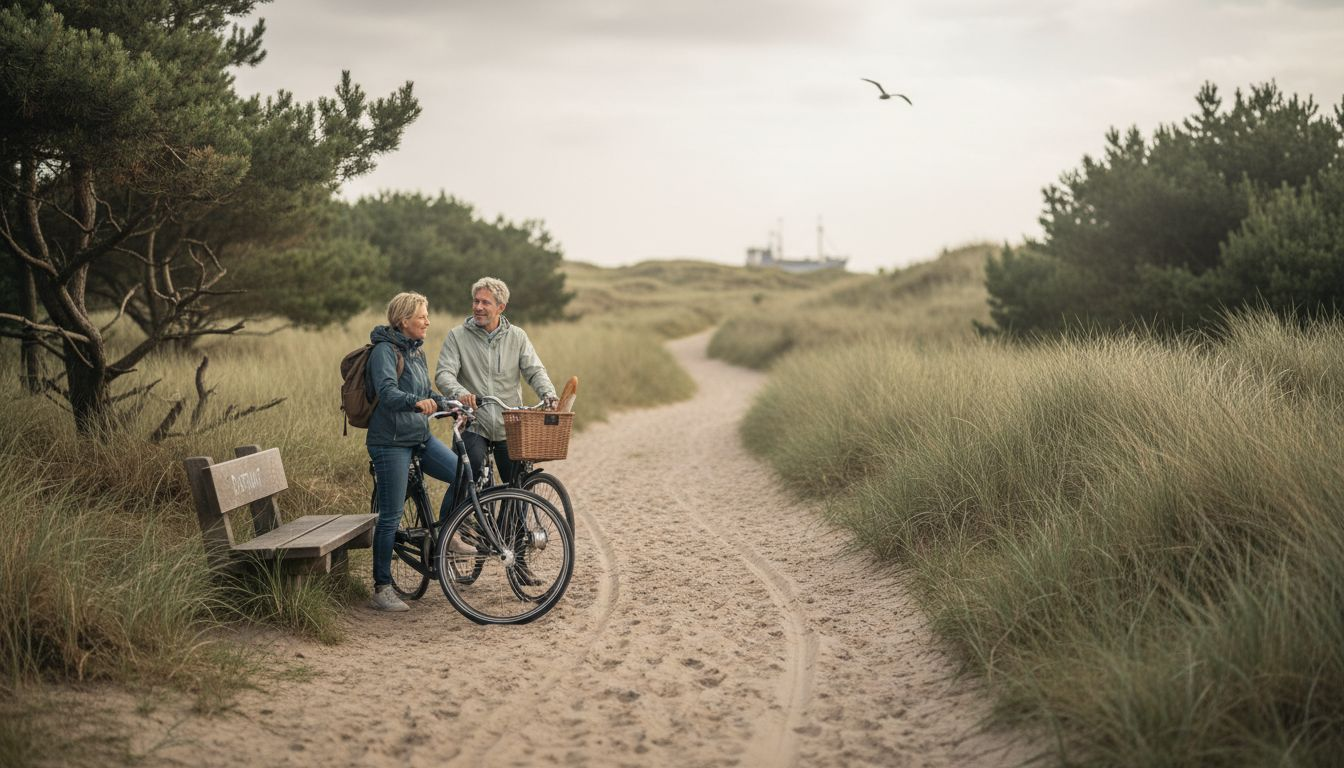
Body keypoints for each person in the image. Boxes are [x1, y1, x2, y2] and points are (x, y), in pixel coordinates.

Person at [365, 292, 459, 612]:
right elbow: (389, 393)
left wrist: (449, 403)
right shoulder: (383, 351)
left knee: (461, 473)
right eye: (422, 316)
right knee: (390, 516)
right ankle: (381, 587)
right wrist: (414, 402)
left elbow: (425, 392)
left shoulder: (416, 352)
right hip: (390, 441)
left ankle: (444, 535)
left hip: (419, 436)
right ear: (404, 320)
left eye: (428, 315)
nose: (428, 321)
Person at [434, 277, 557, 486]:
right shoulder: (457, 336)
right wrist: (461, 394)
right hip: (474, 423)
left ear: (501, 307)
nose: (478, 307)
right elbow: (443, 374)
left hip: (509, 424)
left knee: (519, 487)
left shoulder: (517, 336)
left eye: (485, 302)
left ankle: (512, 520)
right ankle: (457, 519)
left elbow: (534, 371)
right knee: (466, 480)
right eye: (475, 301)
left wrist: (548, 393)